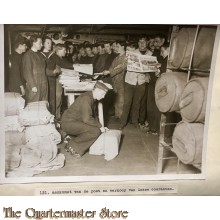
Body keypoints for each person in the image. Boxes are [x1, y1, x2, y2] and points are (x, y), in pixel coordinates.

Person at [61, 81, 111, 158]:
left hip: (74, 122)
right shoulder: (86, 99)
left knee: (95, 129)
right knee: (95, 131)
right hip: (68, 123)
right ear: (96, 90)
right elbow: (87, 119)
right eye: (103, 94)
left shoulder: (91, 98)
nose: (103, 97)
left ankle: (70, 139)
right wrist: (100, 126)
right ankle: (72, 146)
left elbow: (93, 117)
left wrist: (101, 126)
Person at [22, 34, 48, 103]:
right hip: (35, 86)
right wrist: (33, 86)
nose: (42, 45)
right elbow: (27, 72)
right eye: (40, 43)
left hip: (43, 85)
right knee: (33, 105)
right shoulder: (28, 55)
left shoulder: (40, 55)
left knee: (43, 105)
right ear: (33, 43)